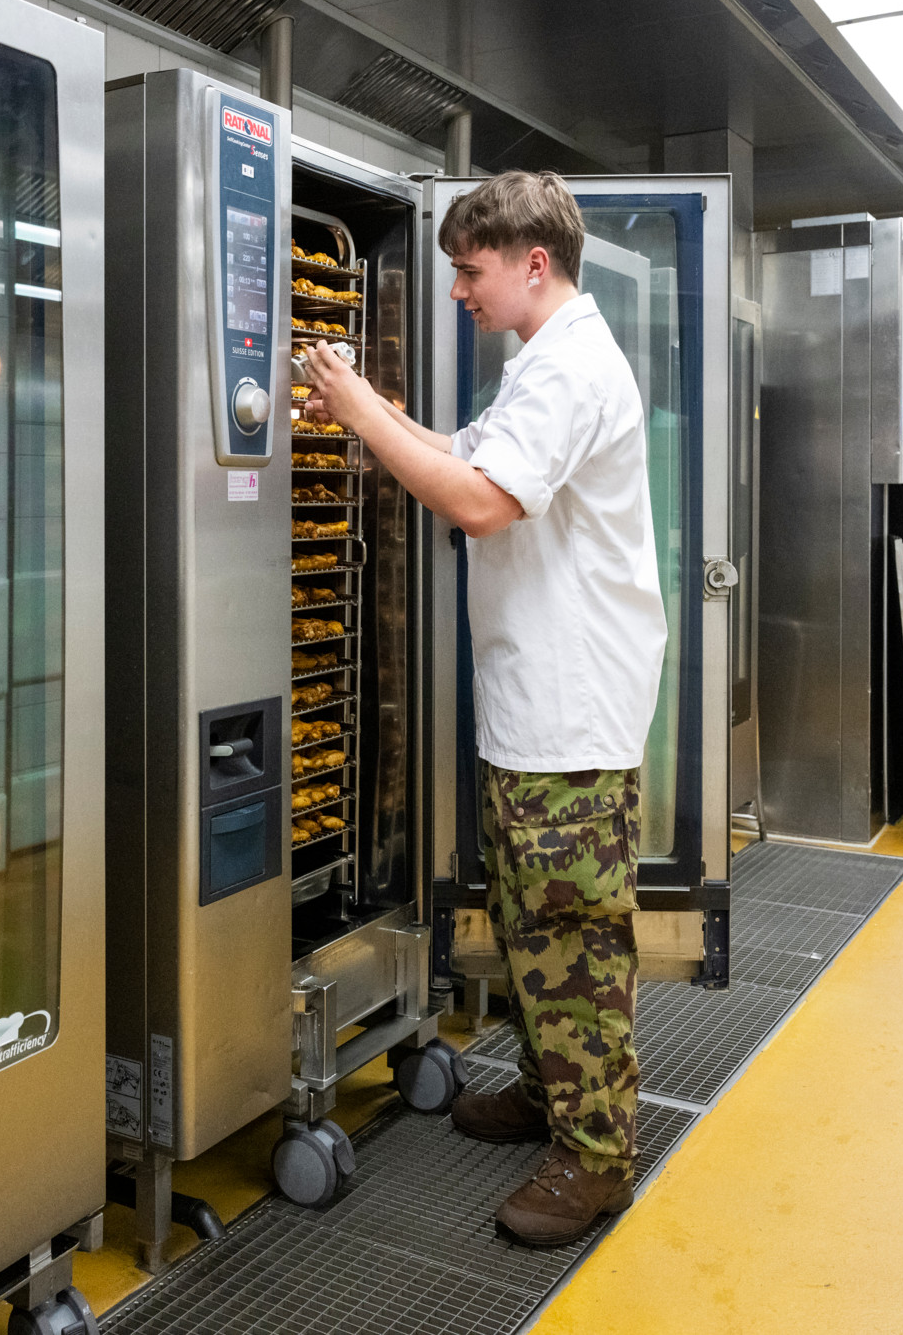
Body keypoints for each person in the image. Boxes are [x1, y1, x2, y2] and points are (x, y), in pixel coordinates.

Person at [299, 170, 665, 1247]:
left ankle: (596, 1159)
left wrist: (361, 407)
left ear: (533, 264)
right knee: (528, 925)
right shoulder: (539, 364)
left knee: (572, 941)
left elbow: (477, 502)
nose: (458, 288)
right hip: (534, 707)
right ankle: (554, 1100)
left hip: (569, 712)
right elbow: (466, 453)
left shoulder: (570, 368)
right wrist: (377, 419)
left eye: (469, 270)